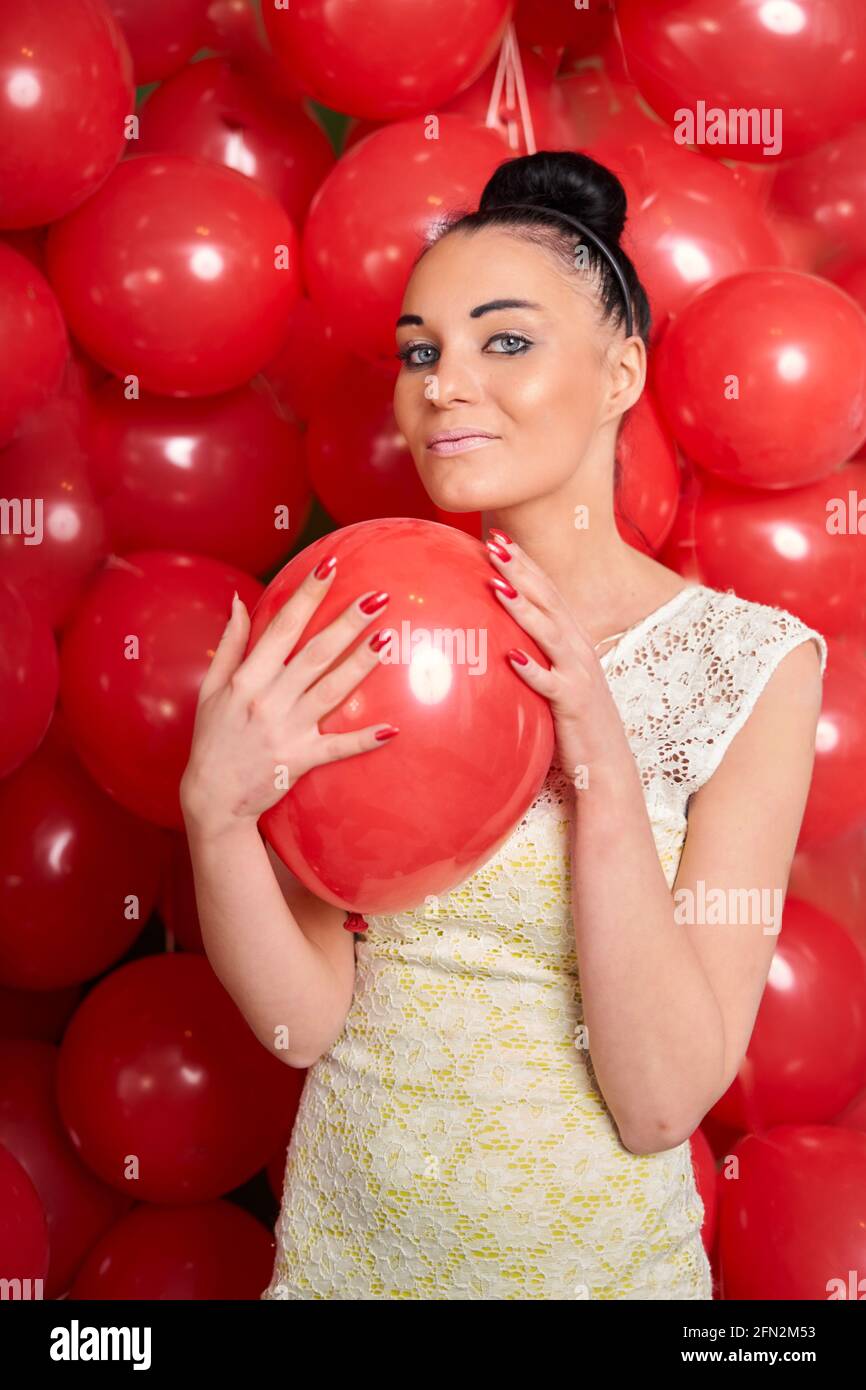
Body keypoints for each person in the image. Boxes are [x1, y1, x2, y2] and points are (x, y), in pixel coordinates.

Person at [180, 150, 827, 1300]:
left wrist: (602, 770)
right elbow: (304, 1024)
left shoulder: (751, 665)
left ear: (620, 370)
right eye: (420, 350)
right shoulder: (354, 611)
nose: (440, 384)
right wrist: (217, 818)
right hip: (347, 1265)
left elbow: (658, 1100)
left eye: (505, 341)